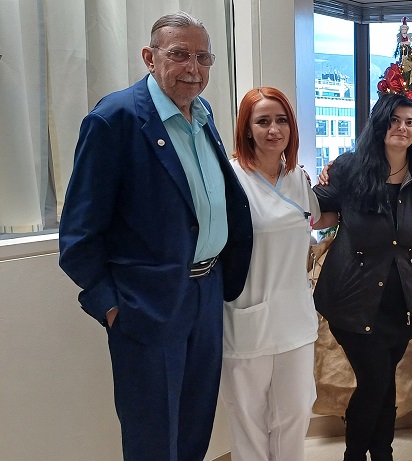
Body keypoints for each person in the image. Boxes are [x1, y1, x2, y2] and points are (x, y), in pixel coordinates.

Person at [58, 11, 252, 461]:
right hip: (146, 305)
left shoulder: (202, 114)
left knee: (194, 430)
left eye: (203, 57)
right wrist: (111, 307)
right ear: (149, 57)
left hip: (206, 295)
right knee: (153, 440)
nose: (193, 68)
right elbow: (79, 234)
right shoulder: (115, 120)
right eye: (179, 54)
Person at [312, 93, 412, 461]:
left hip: (401, 304)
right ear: (380, 124)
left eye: (410, 122)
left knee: (382, 381)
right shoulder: (350, 169)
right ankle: (355, 455)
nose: (402, 128)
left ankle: (382, 453)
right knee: (376, 380)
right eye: (394, 120)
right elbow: (316, 208)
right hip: (352, 300)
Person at [221, 87, 335, 461]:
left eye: (281, 120)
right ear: (247, 128)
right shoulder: (230, 178)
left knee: (296, 413)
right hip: (247, 317)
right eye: (263, 121)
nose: (274, 130)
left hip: (295, 320)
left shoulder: (296, 178)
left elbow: (315, 218)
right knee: (249, 420)